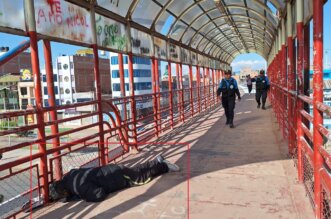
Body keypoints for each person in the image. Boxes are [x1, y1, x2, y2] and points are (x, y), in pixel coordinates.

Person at [49, 155, 180, 202]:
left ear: (64, 192)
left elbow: (99, 194)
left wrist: (84, 197)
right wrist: (73, 196)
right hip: (112, 170)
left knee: (141, 179)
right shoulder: (69, 175)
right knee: (138, 171)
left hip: (117, 177)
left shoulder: (80, 188)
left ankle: (164, 166)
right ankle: (157, 161)